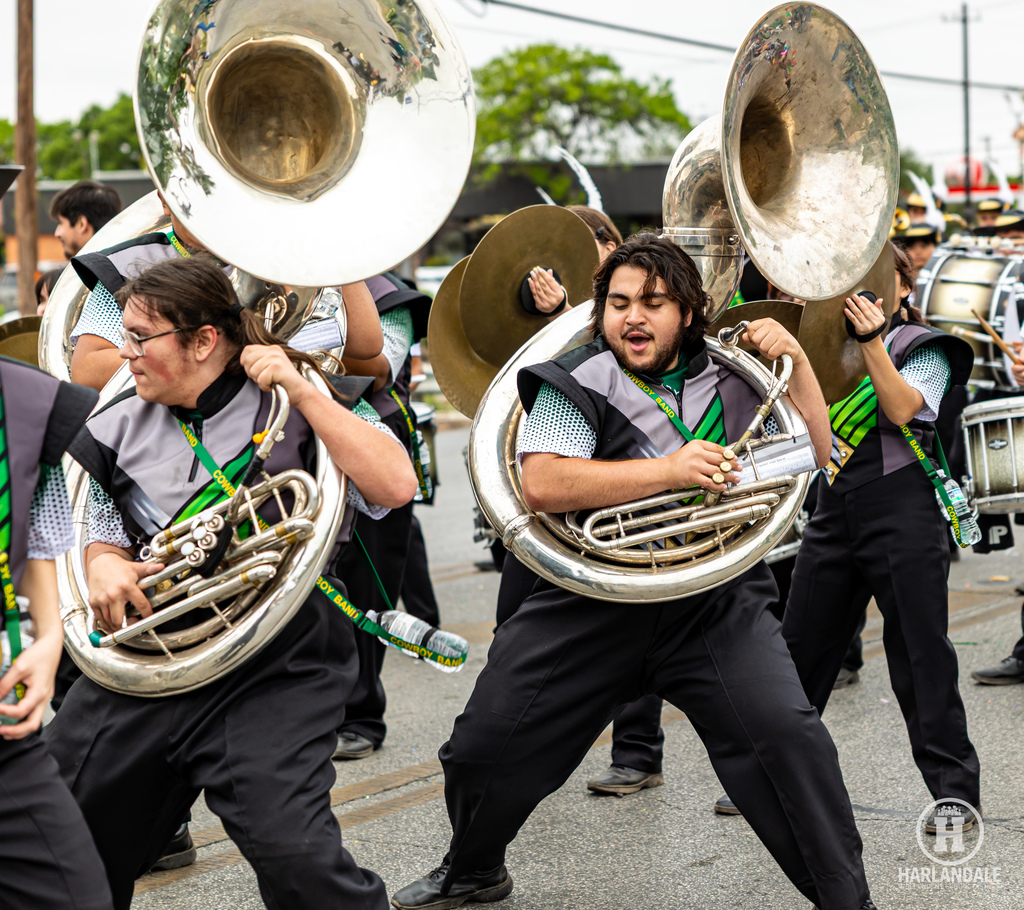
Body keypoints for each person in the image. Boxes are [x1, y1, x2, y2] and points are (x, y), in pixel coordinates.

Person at [391, 233, 878, 910]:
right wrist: (671, 471)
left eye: (653, 302)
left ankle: (846, 898)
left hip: (713, 602)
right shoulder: (576, 376)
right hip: (584, 601)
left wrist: (795, 358)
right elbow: (545, 483)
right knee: (482, 749)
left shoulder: (737, 375)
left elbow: (811, 456)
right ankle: (473, 869)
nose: (633, 317)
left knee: (789, 741)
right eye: (618, 302)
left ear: (689, 311)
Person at [43, 255, 416, 910]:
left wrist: (305, 393)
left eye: (139, 338)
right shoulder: (118, 415)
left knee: (294, 852)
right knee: (57, 844)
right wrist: (103, 560)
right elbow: (86, 517)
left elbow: (394, 484)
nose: (123, 353)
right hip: (152, 651)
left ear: (205, 340)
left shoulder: (299, 391)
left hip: (281, 659)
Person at [781, 243, 981, 831]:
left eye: (876, 278)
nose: (858, 290)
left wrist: (871, 344)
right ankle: (774, 778)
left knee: (921, 656)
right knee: (799, 653)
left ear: (904, 290)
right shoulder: (819, 350)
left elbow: (902, 412)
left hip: (906, 513)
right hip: (835, 508)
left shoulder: (926, 347)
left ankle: (954, 790)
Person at [69, 192, 386, 392]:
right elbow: (87, 370)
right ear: (164, 200)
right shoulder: (130, 264)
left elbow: (366, 343)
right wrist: (215, 359)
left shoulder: (286, 253)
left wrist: (326, 238)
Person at [0, 358, 112, 910]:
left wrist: (47, 641)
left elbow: (38, 533)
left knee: (75, 896)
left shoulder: (19, 397)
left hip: (5, 723)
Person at [332, 271, 434, 760]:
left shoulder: (386, 294)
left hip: (371, 447)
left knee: (367, 588)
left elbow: (375, 371)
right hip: (288, 442)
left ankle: (362, 715)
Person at [49, 180, 122, 259]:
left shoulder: (88, 270)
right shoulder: (127, 263)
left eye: (61, 223)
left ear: (81, 224)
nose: (57, 233)